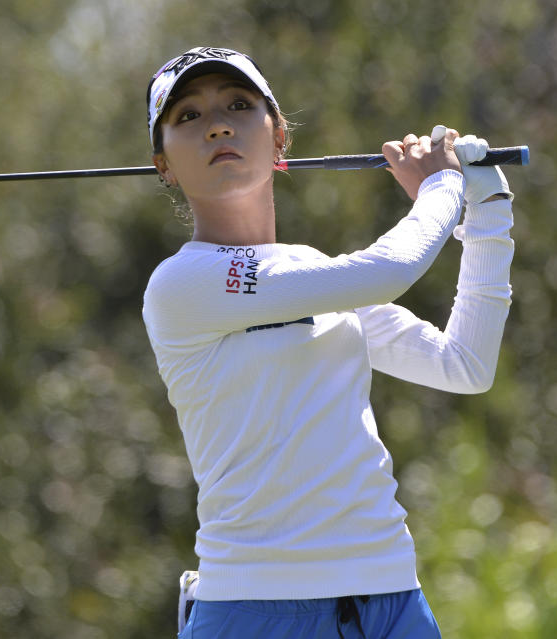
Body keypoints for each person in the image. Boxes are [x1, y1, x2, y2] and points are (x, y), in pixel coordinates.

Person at [141, 46, 514, 639]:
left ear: (279, 139)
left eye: (240, 105)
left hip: (391, 598)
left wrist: (489, 217)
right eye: (188, 116)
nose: (217, 123)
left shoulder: (312, 271)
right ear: (163, 165)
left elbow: (463, 365)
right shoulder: (180, 285)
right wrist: (442, 186)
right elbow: (385, 271)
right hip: (253, 608)